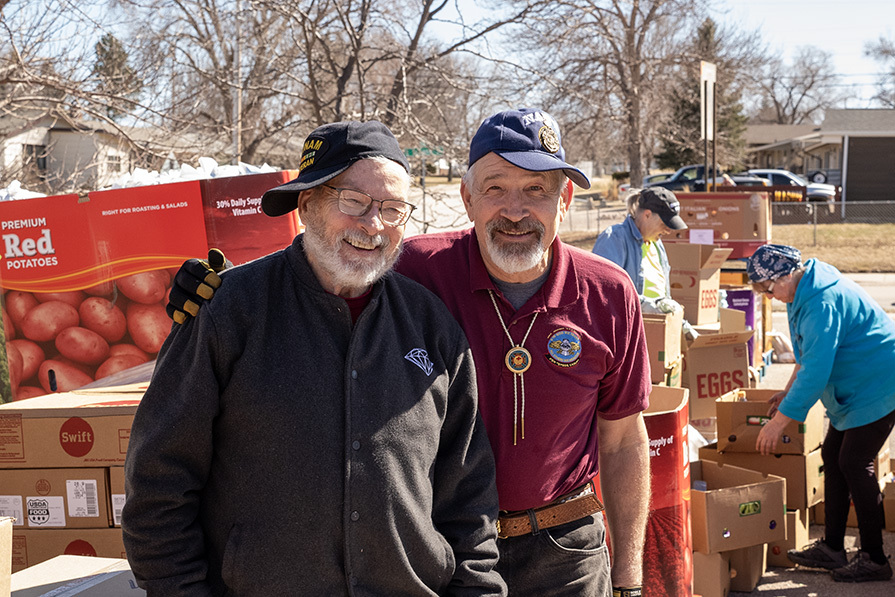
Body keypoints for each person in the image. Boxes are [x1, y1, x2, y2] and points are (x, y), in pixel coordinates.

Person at [170, 108, 652, 597]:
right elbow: (329, 257)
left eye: (536, 190)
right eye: (495, 188)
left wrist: (630, 577)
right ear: (467, 198)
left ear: (564, 199)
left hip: (564, 553)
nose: (515, 210)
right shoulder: (415, 268)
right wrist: (219, 286)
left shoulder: (610, 294)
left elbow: (624, 441)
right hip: (444, 554)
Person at [122, 120, 506, 596]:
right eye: (354, 202)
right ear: (307, 206)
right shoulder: (227, 312)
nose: (373, 224)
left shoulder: (430, 325)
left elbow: (468, 497)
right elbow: (158, 485)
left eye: (392, 209)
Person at [748, 243, 895, 583]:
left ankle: (874, 558)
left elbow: (816, 371)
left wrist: (778, 423)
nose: (771, 297)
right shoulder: (805, 288)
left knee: (854, 463)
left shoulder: (820, 301)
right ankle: (832, 548)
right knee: (833, 454)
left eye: (770, 289)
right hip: (861, 382)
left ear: (785, 275)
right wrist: (787, 392)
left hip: (879, 382)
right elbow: (807, 353)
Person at [591, 188, 696, 338]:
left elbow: (663, 298)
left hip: (654, 332)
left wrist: (681, 324)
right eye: (665, 223)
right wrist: (648, 307)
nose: (668, 230)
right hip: (624, 335)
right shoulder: (614, 238)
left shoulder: (657, 245)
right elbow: (604, 292)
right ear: (647, 215)